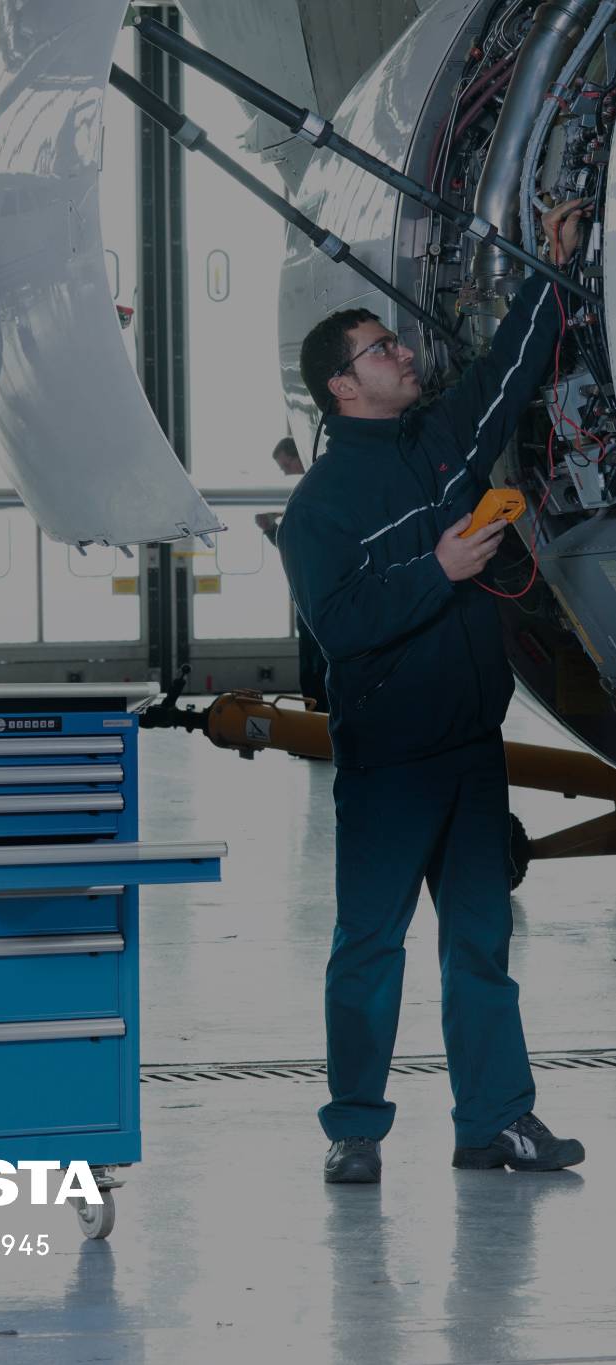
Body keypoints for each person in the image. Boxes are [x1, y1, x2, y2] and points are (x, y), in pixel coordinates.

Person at [276, 197, 590, 1184]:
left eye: (395, 342)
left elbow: (507, 372)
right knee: (369, 950)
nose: (402, 353)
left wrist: (552, 264)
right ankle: (355, 1130)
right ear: (341, 386)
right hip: (390, 765)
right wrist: (440, 568)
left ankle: (495, 1123)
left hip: (469, 753)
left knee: (481, 949)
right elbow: (342, 625)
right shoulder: (318, 508)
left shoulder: (439, 440)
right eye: (380, 350)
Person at [255, 437, 327, 714]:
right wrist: (270, 530)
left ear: (300, 458)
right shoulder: (304, 493)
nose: (285, 474)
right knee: (310, 661)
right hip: (307, 593)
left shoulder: (315, 490)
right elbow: (296, 547)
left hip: (319, 593)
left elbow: (303, 545)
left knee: (318, 661)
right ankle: (315, 713)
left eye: (287, 466)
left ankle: (320, 714)